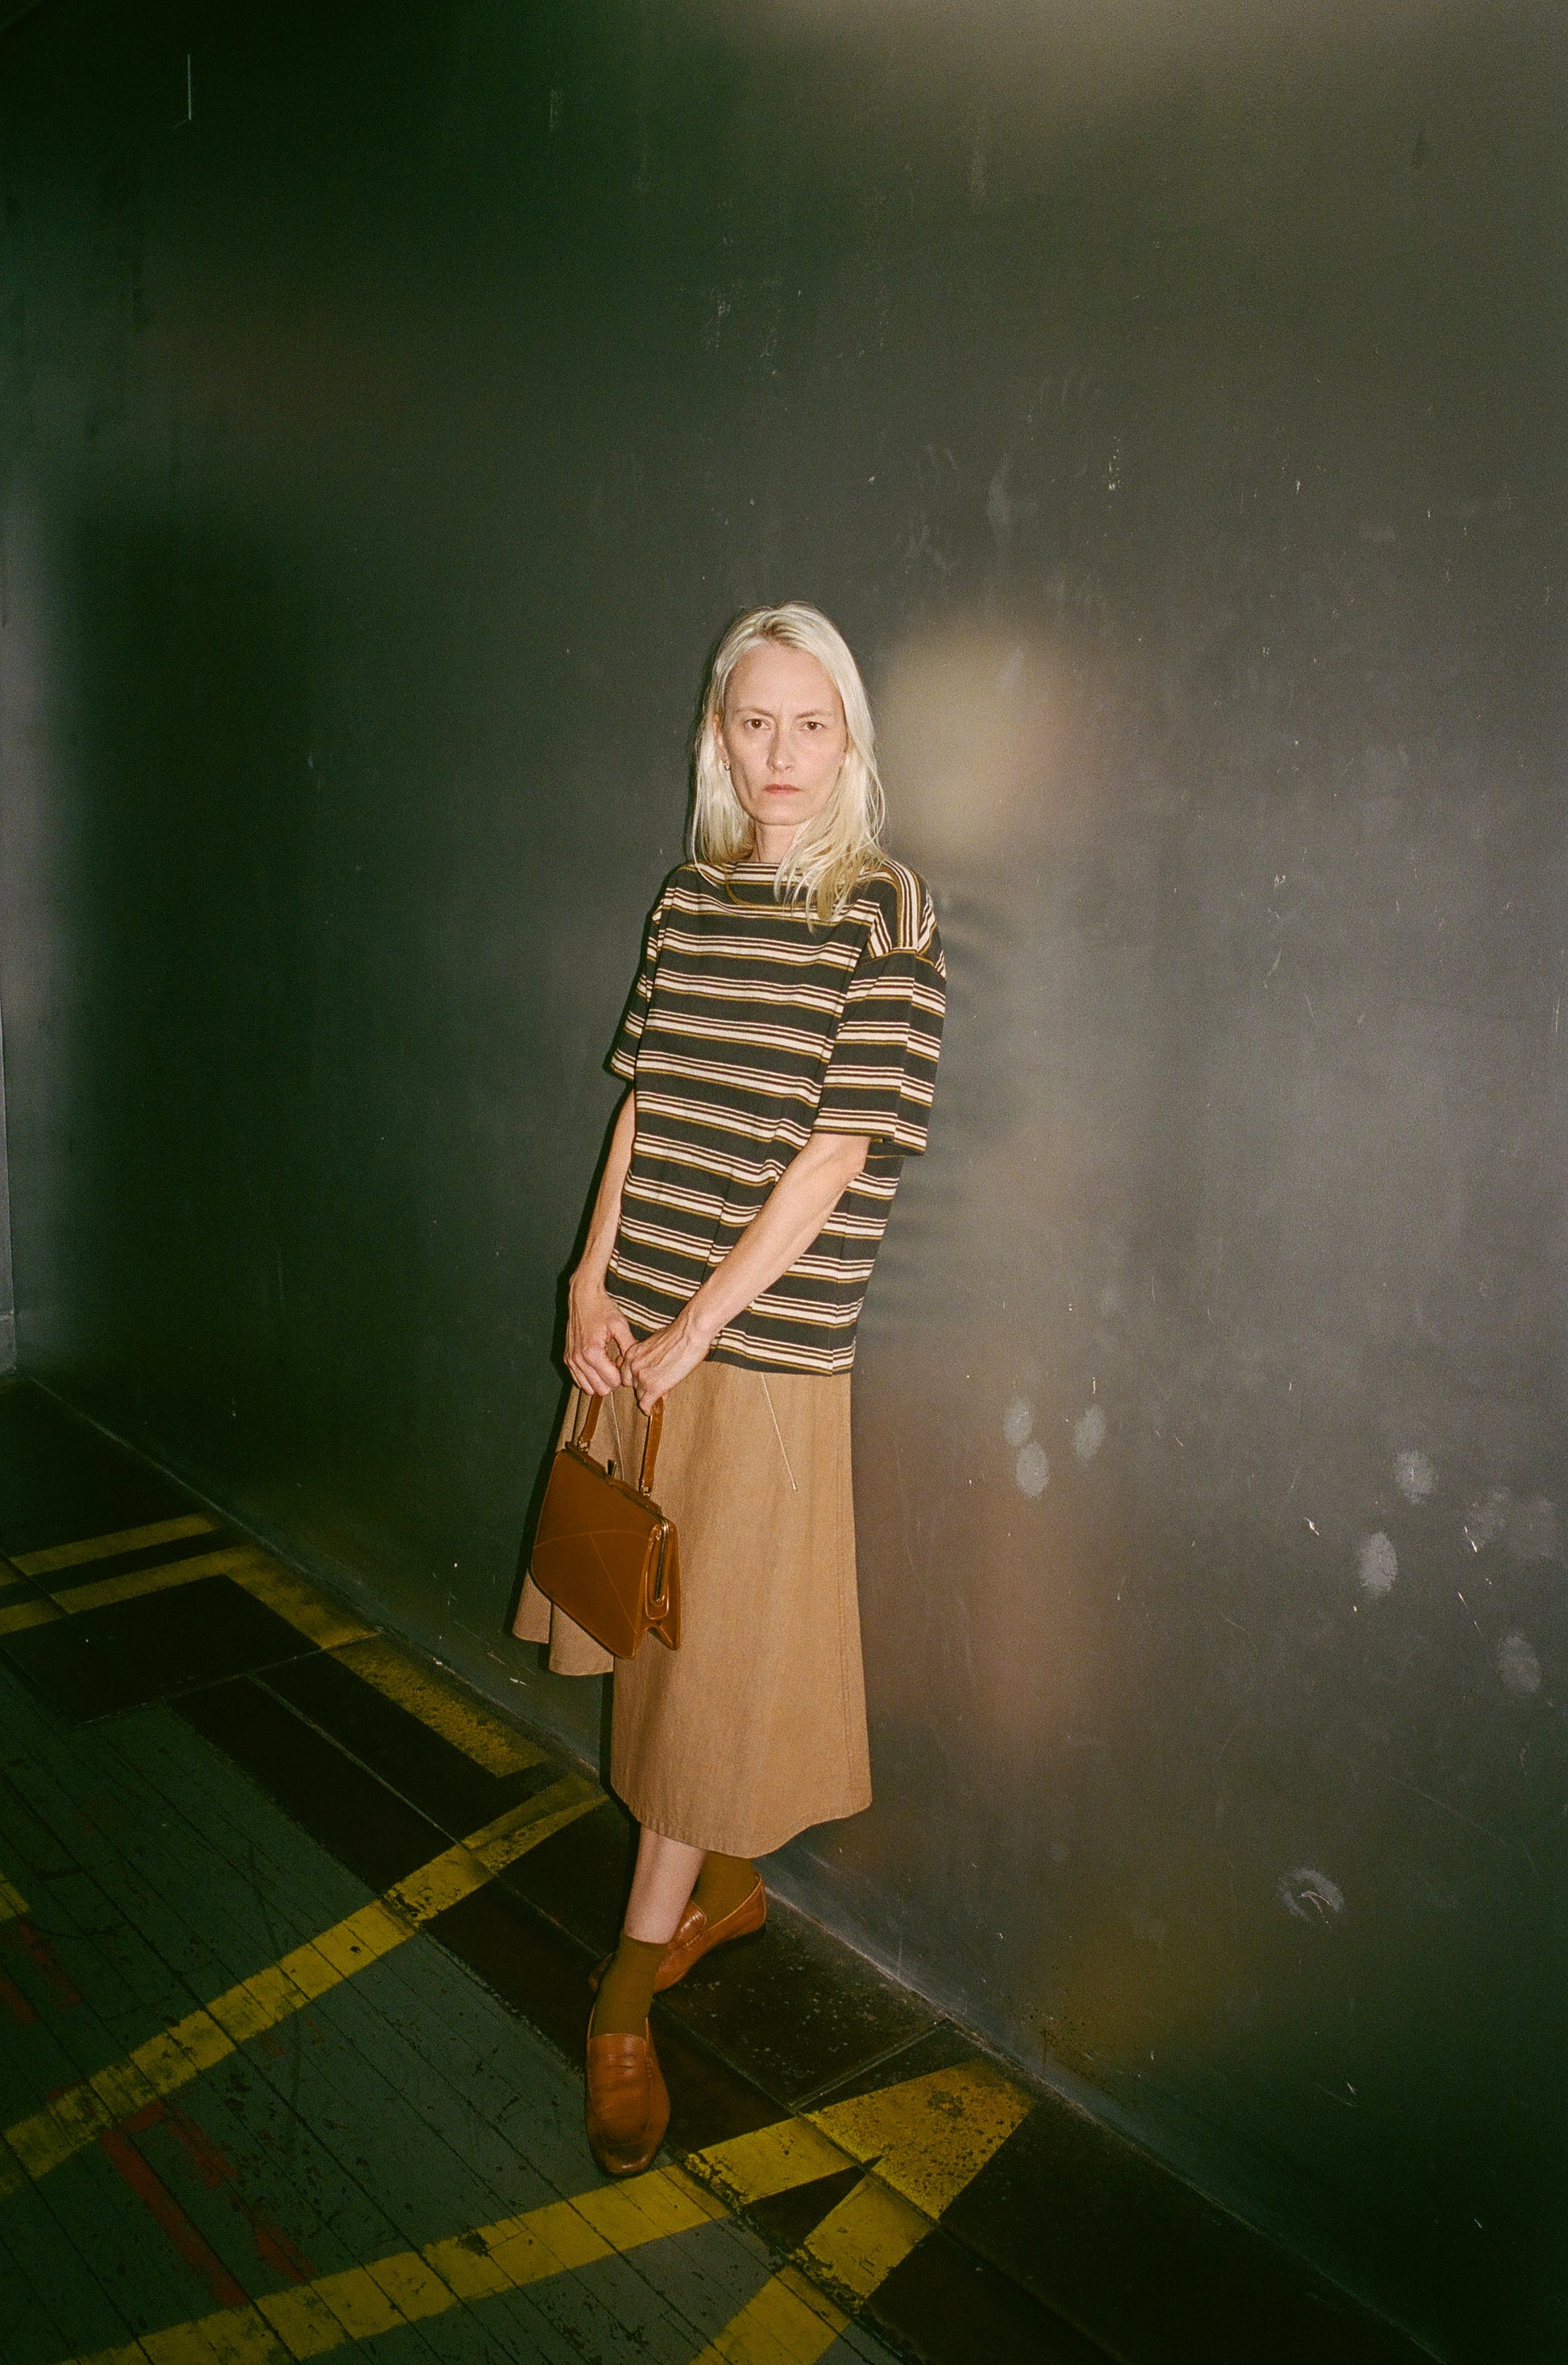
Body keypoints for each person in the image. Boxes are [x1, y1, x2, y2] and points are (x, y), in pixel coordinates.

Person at [512, 601, 945, 2176]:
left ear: (849, 740)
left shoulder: (884, 908)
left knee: (699, 1684)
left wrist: (697, 1327)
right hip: (635, 1333)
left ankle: (626, 1994)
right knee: (641, 1632)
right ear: (719, 735)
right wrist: (591, 1282)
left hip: (756, 1354)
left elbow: (837, 1153)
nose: (780, 754)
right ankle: (715, 1890)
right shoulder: (690, 898)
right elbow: (645, 1102)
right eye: (753, 722)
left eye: (810, 724)